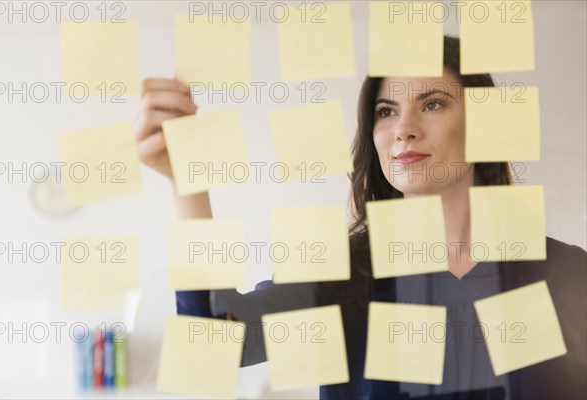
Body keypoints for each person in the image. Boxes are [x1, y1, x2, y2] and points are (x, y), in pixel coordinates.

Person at [133, 36, 586, 399]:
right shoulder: (337, 275)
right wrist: (186, 183)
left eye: (432, 104)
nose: (403, 128)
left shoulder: (565, 274)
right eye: (386, 111)